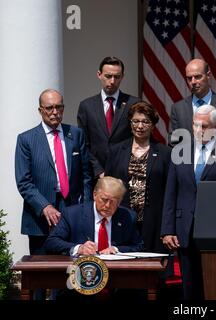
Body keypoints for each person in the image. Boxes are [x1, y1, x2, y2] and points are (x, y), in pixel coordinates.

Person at [161, 105, 216, 300]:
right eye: (195, 124)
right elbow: (171, 194)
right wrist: (167, 230)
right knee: (189, 290)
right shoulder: (179, 152)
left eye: (204, 126)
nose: (199, 130)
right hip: (185, 229)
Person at [15, 89, 91, 299]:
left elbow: (86, 175)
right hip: (40, 215)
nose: (55, 112)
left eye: (59, 107)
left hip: (71, 210)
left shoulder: (76, 135)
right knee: (40, 273)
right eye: (50, 108)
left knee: (68, 272)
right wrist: (44, 206)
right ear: (40, 110)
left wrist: (84, 209)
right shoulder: (26, 139)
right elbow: (24, 181)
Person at [106, 101, 170, 253]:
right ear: (130, 123)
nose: (140, 126)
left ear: (153, 125)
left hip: (154, 220)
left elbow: (169, 190)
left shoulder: (164, 153)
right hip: (123, 217)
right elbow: (108, 184)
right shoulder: (117, 150)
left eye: (145, 122)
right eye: (136, 121)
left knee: (153, 266)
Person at [45, 176, 143, 256]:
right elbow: (52, 242)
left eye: (113, 202)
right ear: (94, 195)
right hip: (82, 269)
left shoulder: (127, 216)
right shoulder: (73, 214)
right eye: (104, 199)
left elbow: (138, 246)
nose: (108, 205)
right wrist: (79, 248)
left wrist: (116, 249)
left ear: (120, 201)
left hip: (116, 269)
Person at [77, 56, 139, 179]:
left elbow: (139, 139)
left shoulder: (134, 103)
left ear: (122, 77)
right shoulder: (87, 106)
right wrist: (98, 171)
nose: (112, 81)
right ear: (99, 75)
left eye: (117, 77)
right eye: (108, 76)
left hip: (127, 174)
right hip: (96, 177)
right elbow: (84, 143)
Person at [169, 58, 216, 145]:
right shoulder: (178, 108)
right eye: (189, 78)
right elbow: (173, 143)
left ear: (208, 75)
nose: (193, 82)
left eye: (197, 77)